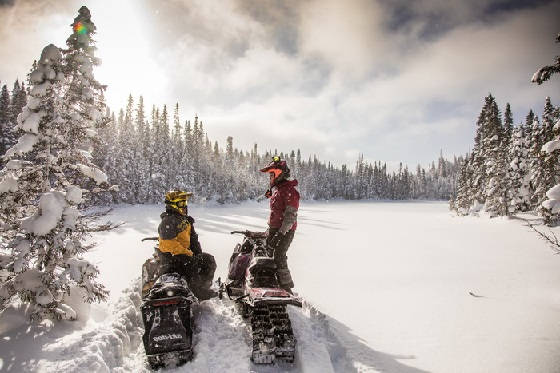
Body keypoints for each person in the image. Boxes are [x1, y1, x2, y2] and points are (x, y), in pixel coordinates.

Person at [157, 190, 217, 300]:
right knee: (191, 264)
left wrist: (197, 253)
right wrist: (189, 254)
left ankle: (204, 285)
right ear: (173, 206)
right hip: (172, 257)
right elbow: (168, 244)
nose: (184, 207)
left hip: (183, 254)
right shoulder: (168, 221)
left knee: (208, 260)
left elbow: (193, 239)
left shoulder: (184, 220)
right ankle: (197, 291)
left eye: (185, 204)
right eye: (181, 204)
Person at [260, 156, 300, 293]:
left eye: (272, 174)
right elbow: (269, 198)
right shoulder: (278, 189)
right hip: (274, 227)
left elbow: (290, 217)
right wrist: (268, 192)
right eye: (270, 174)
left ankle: (286, 287)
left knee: (279, 254)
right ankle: (271, 281)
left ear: (279, 173)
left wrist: (280, 234)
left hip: (285, 230)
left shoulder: (290, 191)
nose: (270, 176)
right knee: (266, 252)